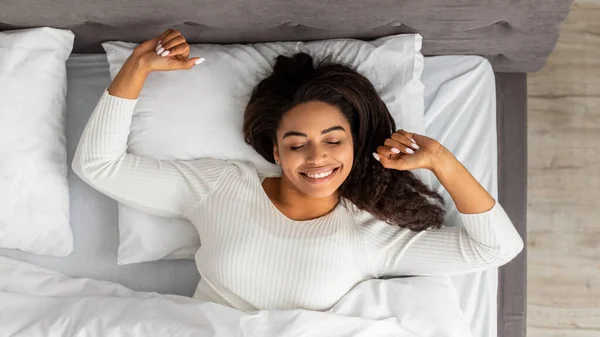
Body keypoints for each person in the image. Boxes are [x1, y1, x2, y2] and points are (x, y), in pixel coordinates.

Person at [73, 29, 524, 312]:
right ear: (274, 148)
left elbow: (495, 250)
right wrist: (137, 67)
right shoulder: (219, 186)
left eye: (333, 140)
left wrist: (440, 160)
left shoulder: (372, 234)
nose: (317, 158)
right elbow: (98, 165)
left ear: (355, 144)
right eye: (297, 143)